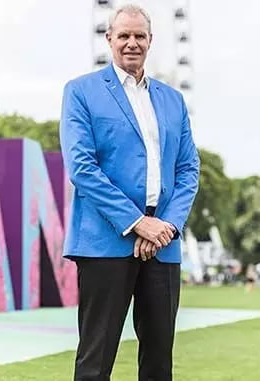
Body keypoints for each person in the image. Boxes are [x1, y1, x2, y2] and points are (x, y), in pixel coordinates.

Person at [59, 4, 200, 380]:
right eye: (124, 35)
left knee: (158, 362)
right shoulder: (81, 93)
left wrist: (165, 226)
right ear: (109, 39)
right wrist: (138, 223)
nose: (132, 43)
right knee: (95, 361)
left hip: (163, 245)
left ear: (151, 41)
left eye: (140, 36)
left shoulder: (173, 100)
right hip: (105, 242)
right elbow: (82, 169)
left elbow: (188, 169)